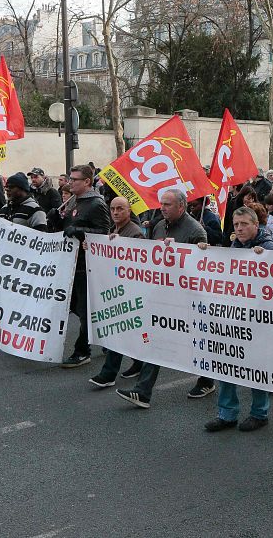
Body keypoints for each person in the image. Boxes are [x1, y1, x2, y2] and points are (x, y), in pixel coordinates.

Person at [116, 190, 209, 407]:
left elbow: (202, 268)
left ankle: (206, 380)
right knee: (156, 340)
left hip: (186, 297)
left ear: (181, 206)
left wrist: (191, 251)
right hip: (162, 294)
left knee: (196, 341)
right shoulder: (158, 225)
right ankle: (143, 392)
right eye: (162, 204)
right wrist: (117, 242)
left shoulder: (196, 230)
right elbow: (146, 254)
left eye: (168, 204)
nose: (163, 208)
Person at [203, 206, 273, 432]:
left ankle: (259, 413)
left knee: (256, 366)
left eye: (244, 224)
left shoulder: (269, 248)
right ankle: (227, 414)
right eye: (236, 225)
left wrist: (263, 260)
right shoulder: (236, 245)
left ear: (256, 225)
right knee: (227, 363)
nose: (240, 228)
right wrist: (205, 253)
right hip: (235, 316)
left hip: (259, 318)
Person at [88, 197, 146, 388]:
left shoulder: (135, 233)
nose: (115, 212)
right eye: (112, 209)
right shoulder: (114, 231)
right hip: (118, 289)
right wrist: (93, 249)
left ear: (129, 211)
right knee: (131, 332)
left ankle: (108, 374)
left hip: (129, 291)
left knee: (118, 331)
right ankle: (139, 363)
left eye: (120, 208)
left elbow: (138, 263)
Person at [60, 165, 111, 368]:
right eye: (71, 179)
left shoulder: (96, 203)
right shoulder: (75, 200)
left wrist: (79, 230)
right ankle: (107, 337)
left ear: (87, 182)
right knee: (73, 305)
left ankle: (83, 350)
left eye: (75, 179)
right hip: (73, 263)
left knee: (84, 309)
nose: (70, 182)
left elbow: (103, 231)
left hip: (87, 265)